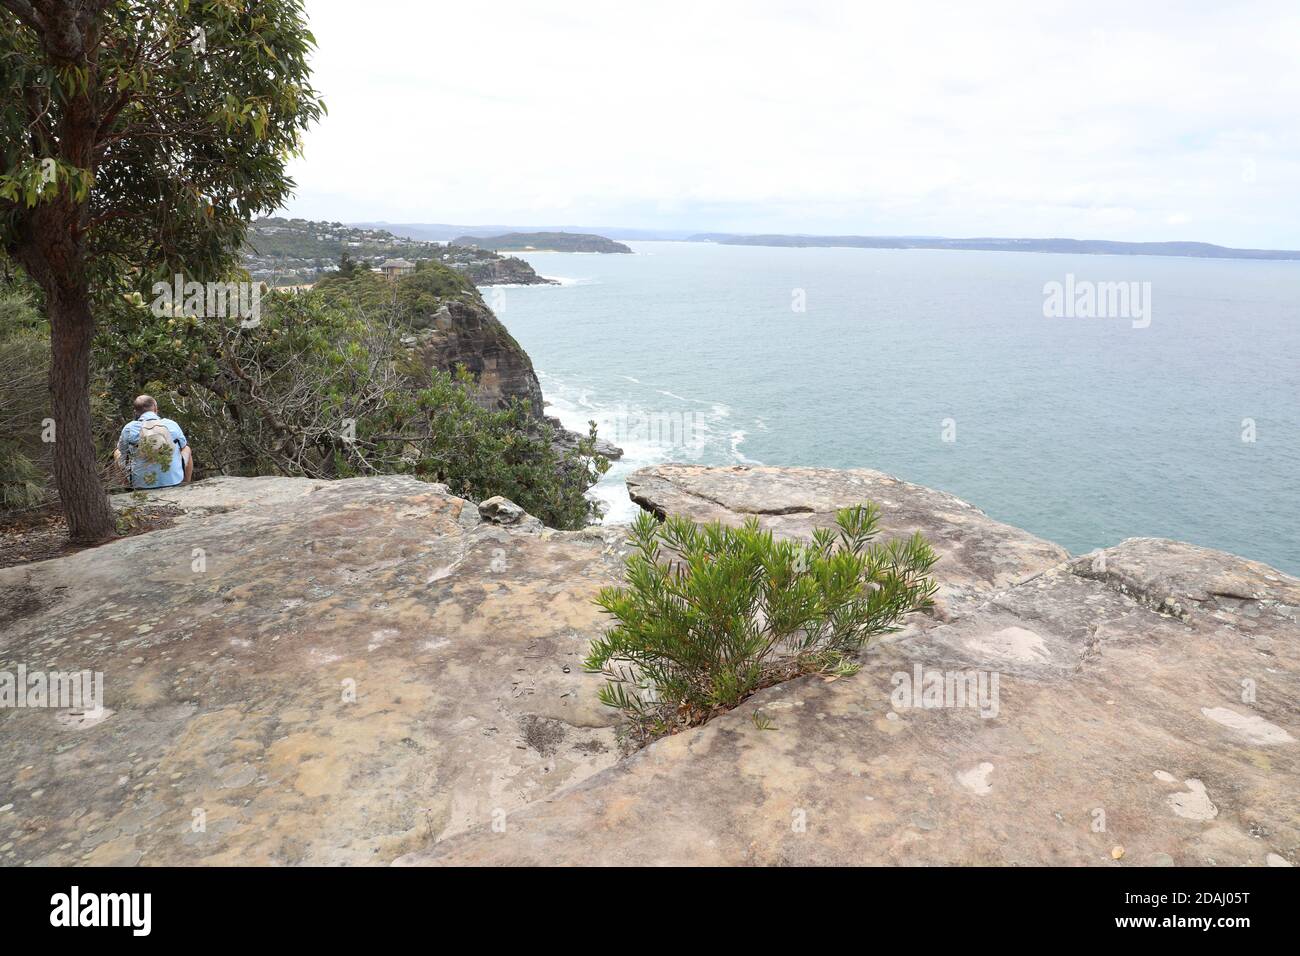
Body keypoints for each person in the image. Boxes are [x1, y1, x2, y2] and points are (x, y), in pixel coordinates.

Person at [115, 395, 192, 490]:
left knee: (117, 452)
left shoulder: (129, 428)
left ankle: (128, 489)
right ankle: (185, 484)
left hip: (141, 484)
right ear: (155, 407)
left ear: (135, 412)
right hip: (173, 481)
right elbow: (182, 446)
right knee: (186, 448)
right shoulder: (171, 424)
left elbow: (123, 451)